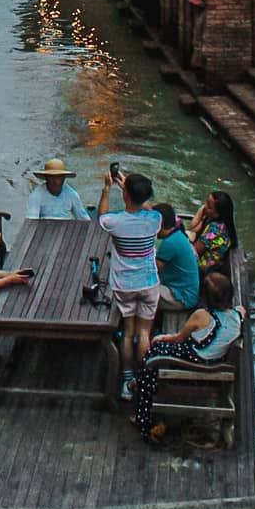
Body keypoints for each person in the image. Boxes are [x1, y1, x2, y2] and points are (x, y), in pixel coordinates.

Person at [133, 271, 246, 439]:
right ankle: (142, 387)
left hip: (192, 364)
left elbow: (178, 338)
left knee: (151, 357)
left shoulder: (201, 316)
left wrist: (161, 338)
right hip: (214, 366)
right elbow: (241, 310)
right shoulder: (237, 317)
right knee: (158, 351)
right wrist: (237, 310)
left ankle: (143, 416)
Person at [98, 170, 162, 401]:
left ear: (125, 197)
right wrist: (130, 189)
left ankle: (127, 381)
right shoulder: (154, 220)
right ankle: (143, 379)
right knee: (144, 332)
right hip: (148, 282)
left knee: (128, 333)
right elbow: (149, 208)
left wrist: (107, 188)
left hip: (124, 284)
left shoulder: (115, 222)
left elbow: (101, 217)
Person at [154, 203, 200, 311]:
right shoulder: (177, 234)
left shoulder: (169, 243)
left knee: (138, 291)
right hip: (185, 290)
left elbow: (153, 270)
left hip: (181, 297)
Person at [188, 190, 238, 271]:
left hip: (201, 268)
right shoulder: (213, 218)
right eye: (206, 202)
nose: (205, 206)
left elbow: (194, 252)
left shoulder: (215, 229)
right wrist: (203, 209)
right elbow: (193, 228)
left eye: (209, 206)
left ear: (217, 213)